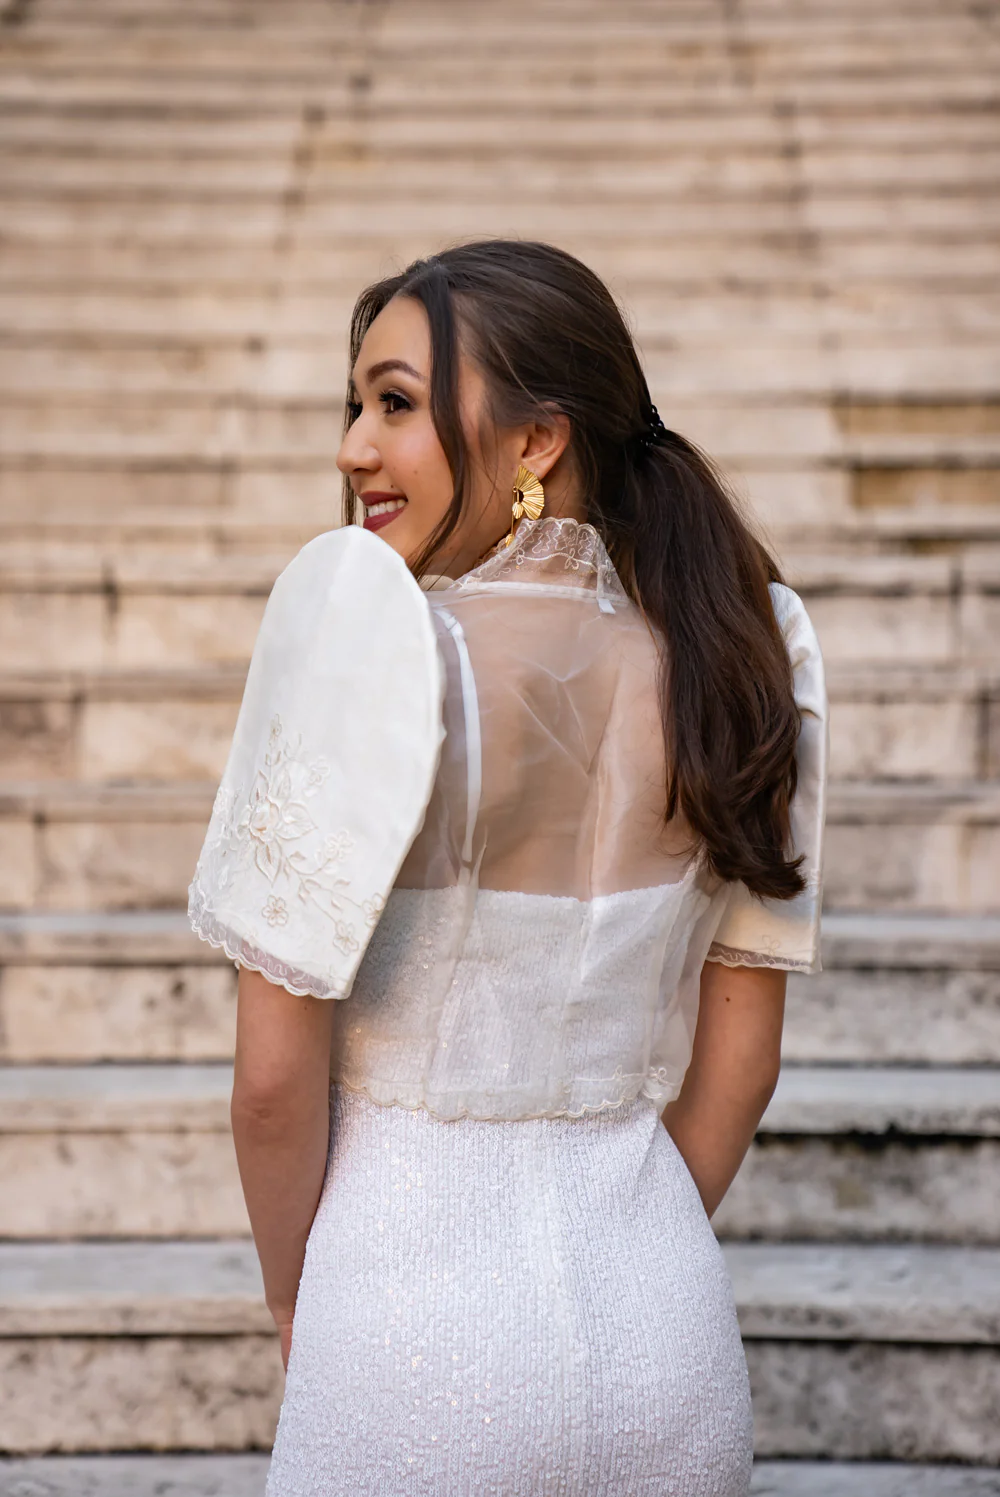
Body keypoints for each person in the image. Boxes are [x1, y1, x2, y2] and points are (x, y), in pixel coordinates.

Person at [189, 239, 827, 1496]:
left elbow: (271, 1084)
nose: (354, 448)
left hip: (402, 1331)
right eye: (355, 405)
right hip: (662, 1326)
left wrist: (294, 1300)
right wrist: (630, 1254)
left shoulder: (366, 644)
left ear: (536, 441)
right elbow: (740, 1066)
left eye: (397, 404)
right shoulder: (747, 652)